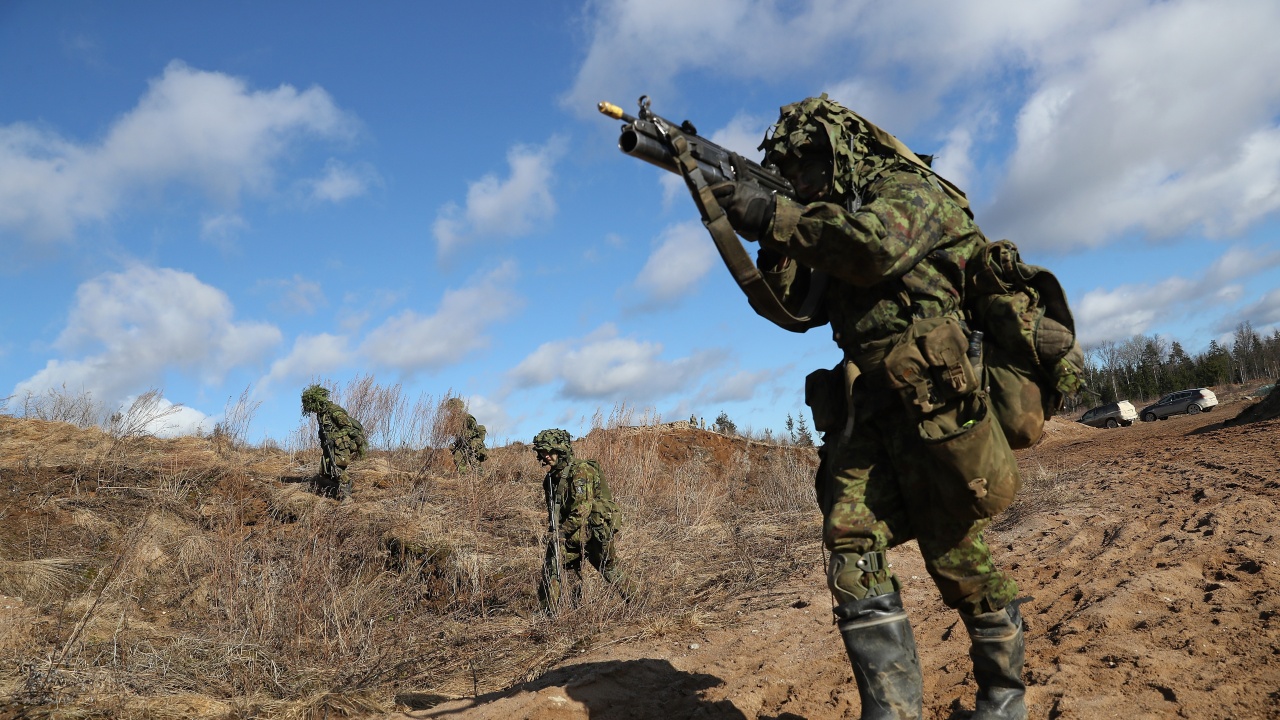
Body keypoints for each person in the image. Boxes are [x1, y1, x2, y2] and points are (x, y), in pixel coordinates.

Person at [708, 95, 1027, 719]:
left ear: (844, 149)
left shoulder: (911, 190)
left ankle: (1002, 697)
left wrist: (774, 215)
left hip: (937, 400)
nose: (798, 178)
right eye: (787, 168)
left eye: (808, 163)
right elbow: (799, 309)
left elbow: (875, 247)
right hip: (868, 405)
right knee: (850, 542)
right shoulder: (827, 218)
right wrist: (763, 227)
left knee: (955, 554)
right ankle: (893, 713)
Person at [531, 428, 631, 612]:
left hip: (592, 531)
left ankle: (638, 601)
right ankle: (550, 612)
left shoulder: (580, 471)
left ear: (561, 450)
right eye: (542, 452)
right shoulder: (551, 479)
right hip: (572, 531)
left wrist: (561, 533)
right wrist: (555, 531)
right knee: (555, 565)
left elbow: (582, 510)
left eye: (550, 452)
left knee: (608, 568)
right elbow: (555, 511)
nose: (546, 456)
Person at [300, 384, 367, 501]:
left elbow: (347, 427)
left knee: (338, 469)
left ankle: (347, 498)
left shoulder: (334, 411)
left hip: (340, 446)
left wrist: (334, 438)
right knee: (326, 471)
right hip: (330, 446)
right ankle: (343, 486)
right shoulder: (321, 414)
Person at [445, 397, 488, 470]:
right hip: (460, 444)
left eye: (452, 408)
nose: (451, 411)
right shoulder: (452, 420)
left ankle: (480, 479)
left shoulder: (467, 417)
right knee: (458, 459)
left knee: (475, 464)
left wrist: (466, 435)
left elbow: (476, 430)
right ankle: (463, 479)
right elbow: (451, 432)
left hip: (470, 444)